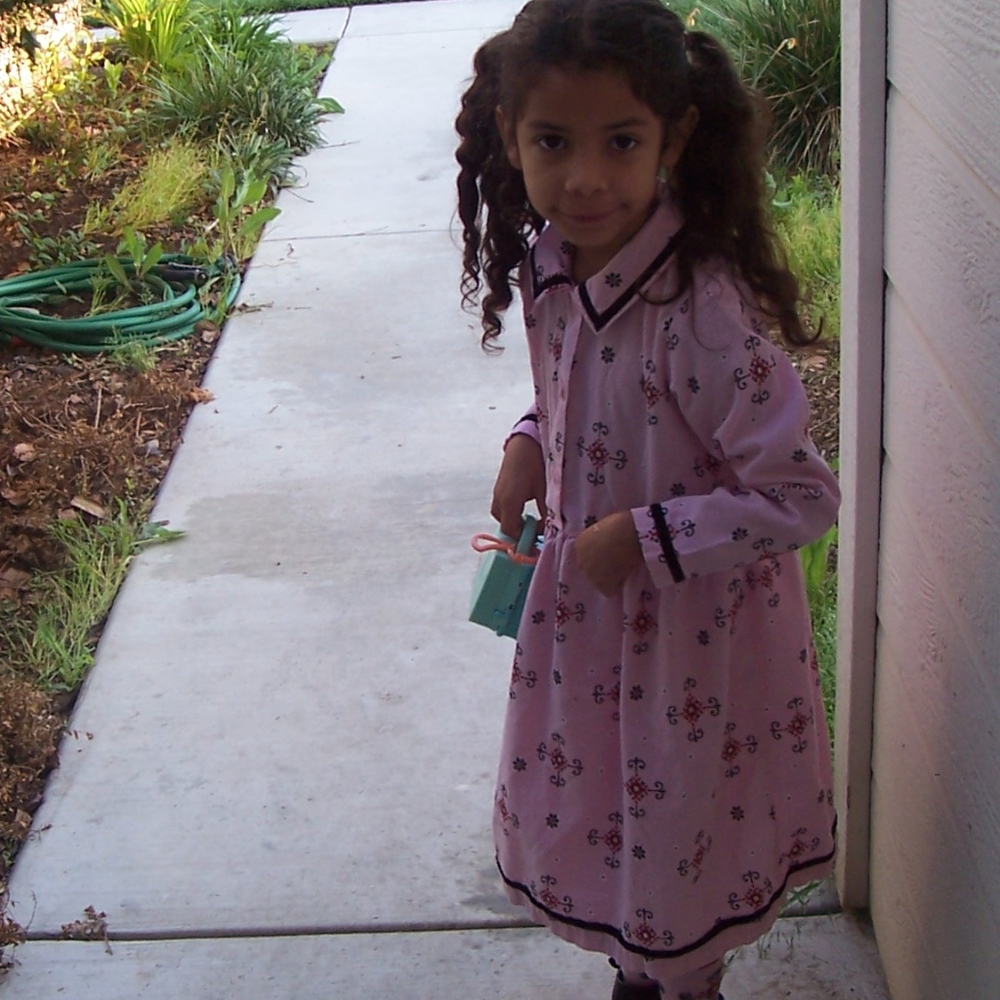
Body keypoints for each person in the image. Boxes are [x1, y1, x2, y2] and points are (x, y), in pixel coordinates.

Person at [455, 2, 840, 997]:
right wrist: (529, 439)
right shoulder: (552, 266)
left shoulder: (698, 313)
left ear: (672, 137)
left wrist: (652, 535)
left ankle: (681, 977)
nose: (585, 178)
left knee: (680, 831)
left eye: (619, 142)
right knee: (614, 814)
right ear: (511, 137)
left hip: (690, 639)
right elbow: (573, 394)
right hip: (594, 624)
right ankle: (647, 968)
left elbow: (799, 493)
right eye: (553, 141)